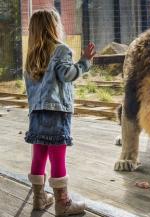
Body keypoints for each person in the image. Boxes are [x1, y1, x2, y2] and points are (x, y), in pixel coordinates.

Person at [24, 9, 96, 216]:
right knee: (57, 156)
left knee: (39, 154)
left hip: (36, 114)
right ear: (53, 27)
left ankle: (39, 199)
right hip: (56, 114)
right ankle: (63, 204)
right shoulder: (61, 50)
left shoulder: (31, 57)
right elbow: (67, 75)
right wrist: (84, 62)